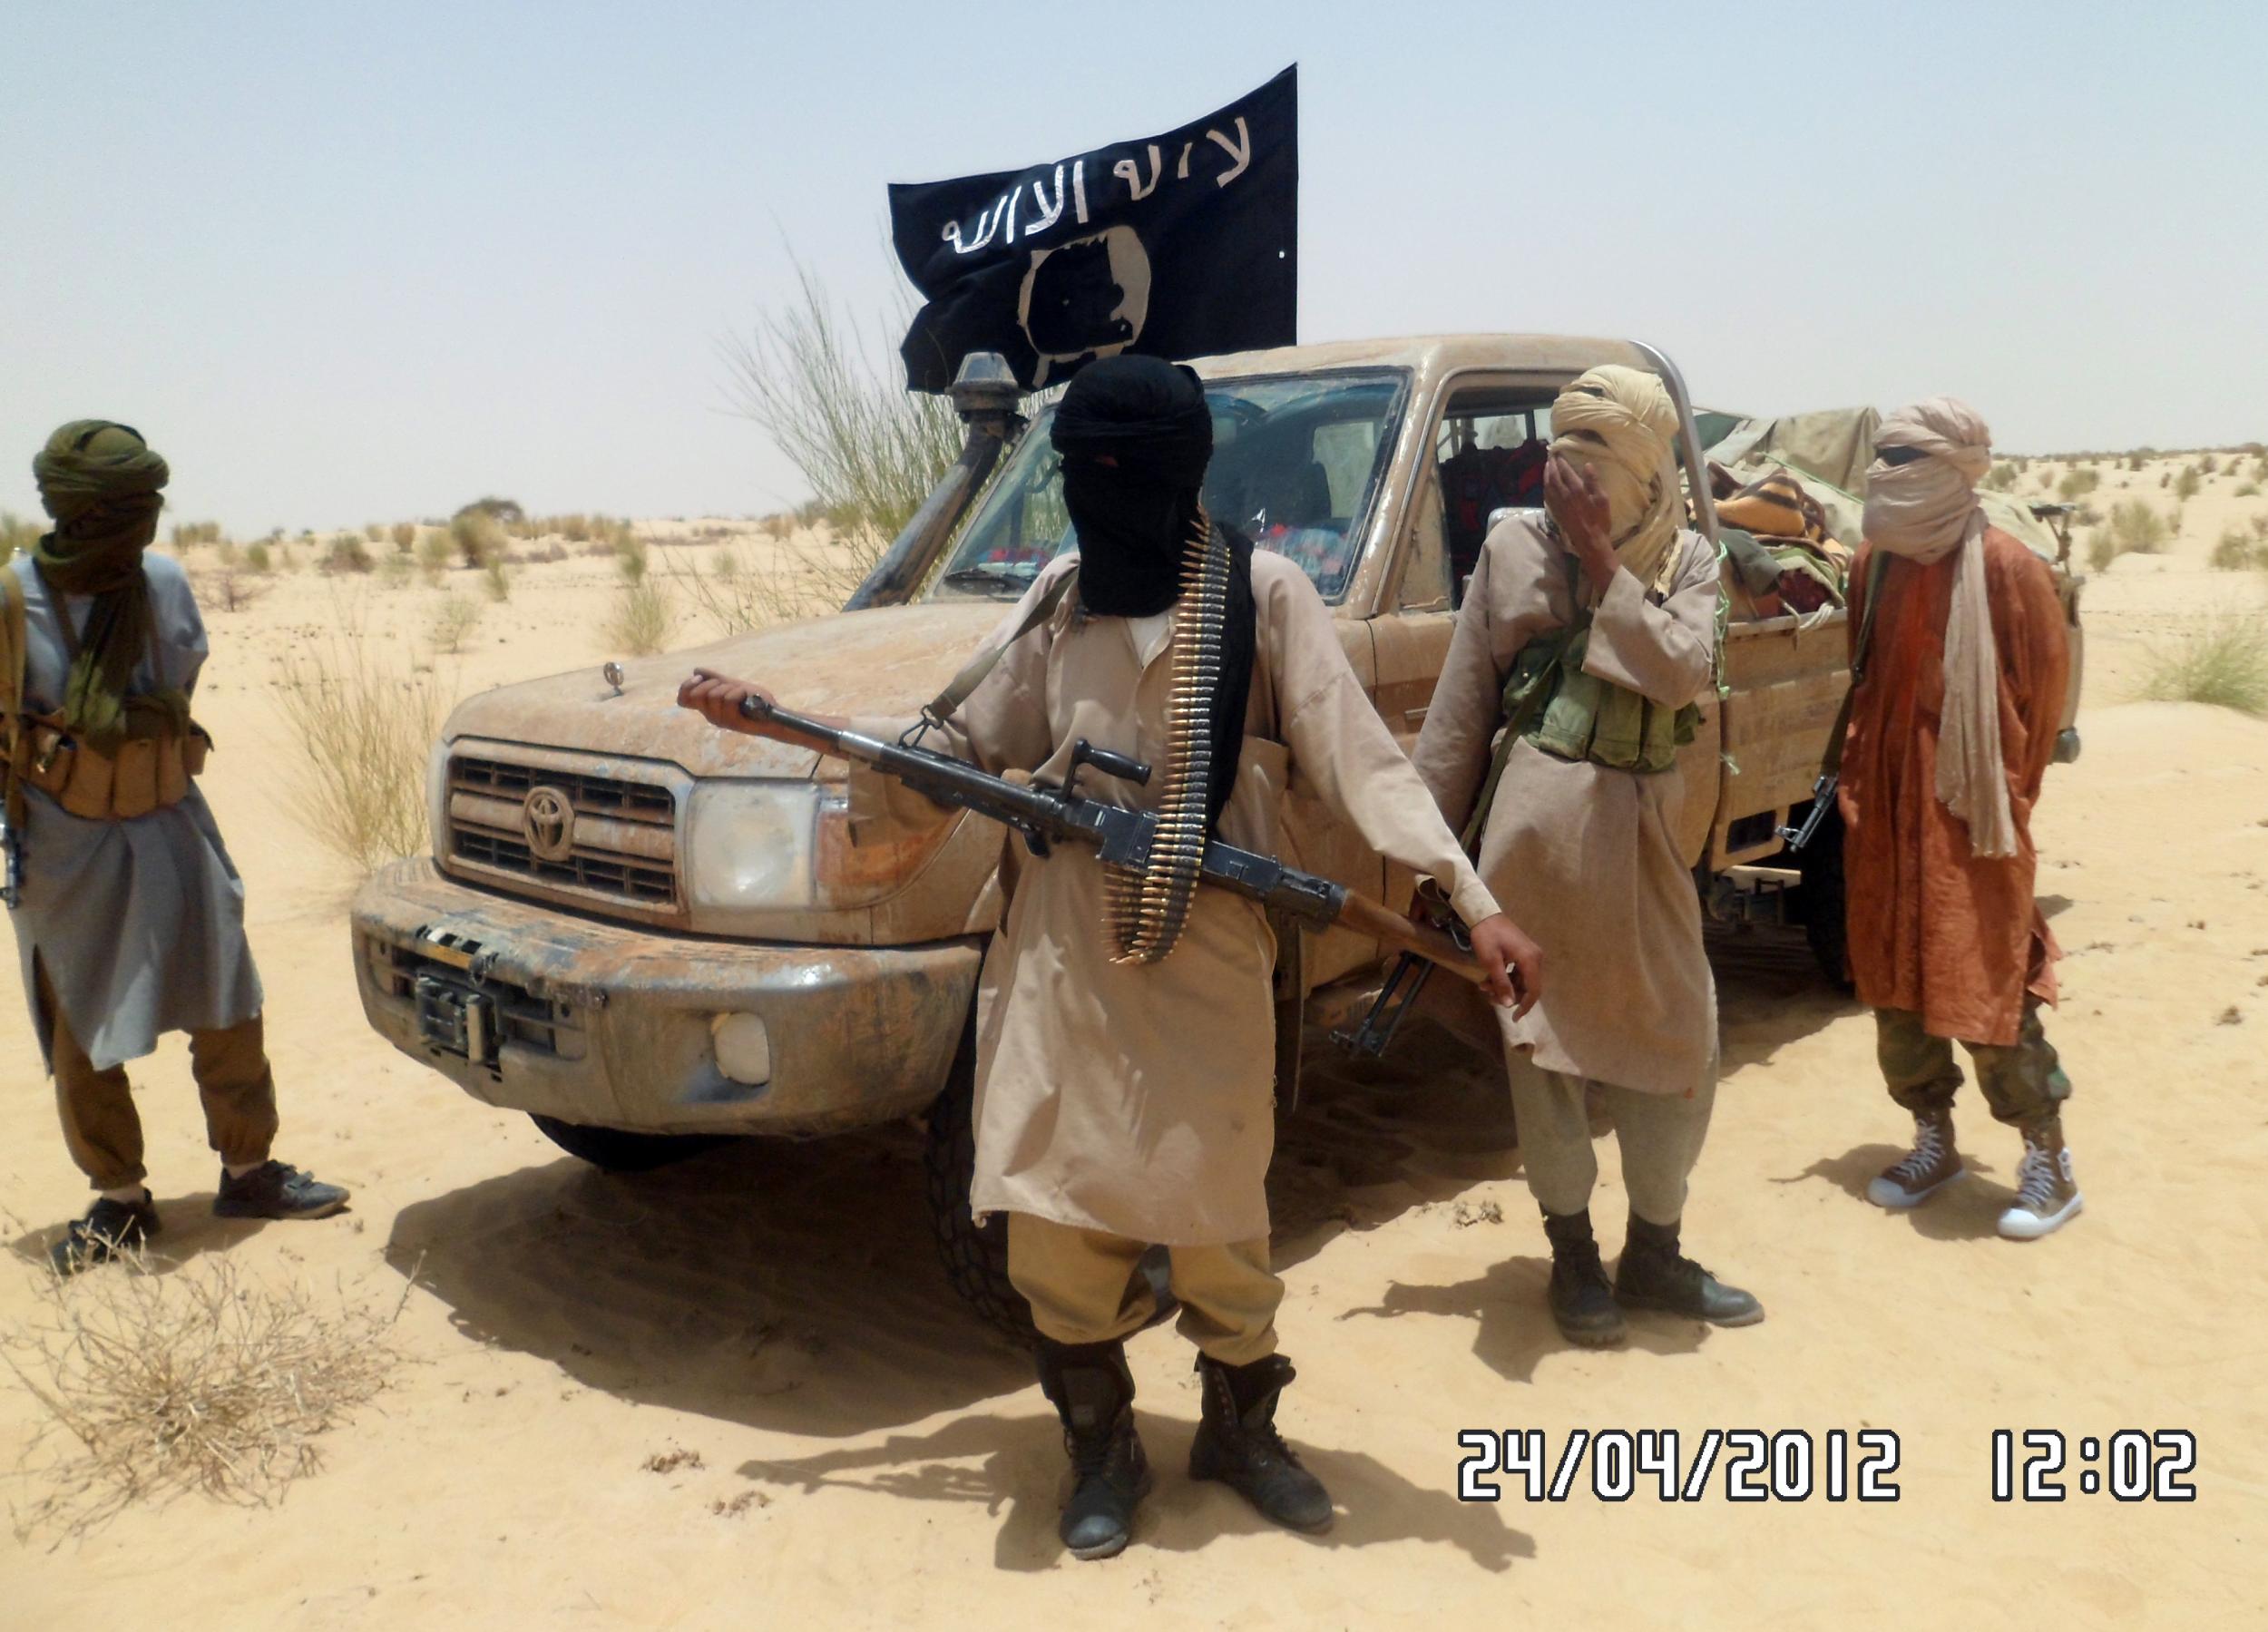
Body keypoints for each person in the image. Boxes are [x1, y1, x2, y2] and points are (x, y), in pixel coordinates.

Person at [680, 356, 1542, 1561]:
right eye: (1078, 471)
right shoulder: (1062, 600)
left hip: (1208, 964)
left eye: (1115, 473)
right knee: (1058, 1223)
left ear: (1170, 476)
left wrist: (1474, 897)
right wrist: (777, 720)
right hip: (1061, 967)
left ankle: (1241, 1432)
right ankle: (1101, 1444)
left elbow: (1367, 768)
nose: (1095, 494)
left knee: (1221, 1221)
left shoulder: (1261, 595)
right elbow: (961, 745)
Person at [1413, 366, 1762, 1349]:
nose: (1570, 478)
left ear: (1648, 471)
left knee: (1676, 1035)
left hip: (1643, 838)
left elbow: (1677, 668)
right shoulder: (1509, 543)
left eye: (1597, 459)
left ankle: (1654, 1250)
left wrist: (1602, 557)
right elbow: (1462, 701)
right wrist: (1433, 854)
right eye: (1564, 456)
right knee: (1545, 1052)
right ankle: (1574, 1260)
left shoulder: (1689, 559)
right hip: (1532, 834)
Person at [3, 421, 348, 1275]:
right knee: (80, 1016)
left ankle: (250, 1170)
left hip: (169, 818)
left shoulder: (160, 581)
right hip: (63, 842)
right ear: (75, 512)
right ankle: (120, 1200)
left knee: (226, 993)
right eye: (125, 509)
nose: (144, 525)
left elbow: (179, 682)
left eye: (148, 507)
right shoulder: (13, 601)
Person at [1839, 398, 2079, 1240]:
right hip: (1884, 811)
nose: (1887, 474)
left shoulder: (2009, 568)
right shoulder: (1872, 563)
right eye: (1883, 457)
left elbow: (2042, 710)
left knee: (1986, 981)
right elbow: (1862, 678)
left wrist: (1994, 803)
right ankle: (1931, 1138)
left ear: (1953, 469)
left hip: (1973, 823)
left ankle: (2048, 1160)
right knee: (1895, 984)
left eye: (1907, 459)